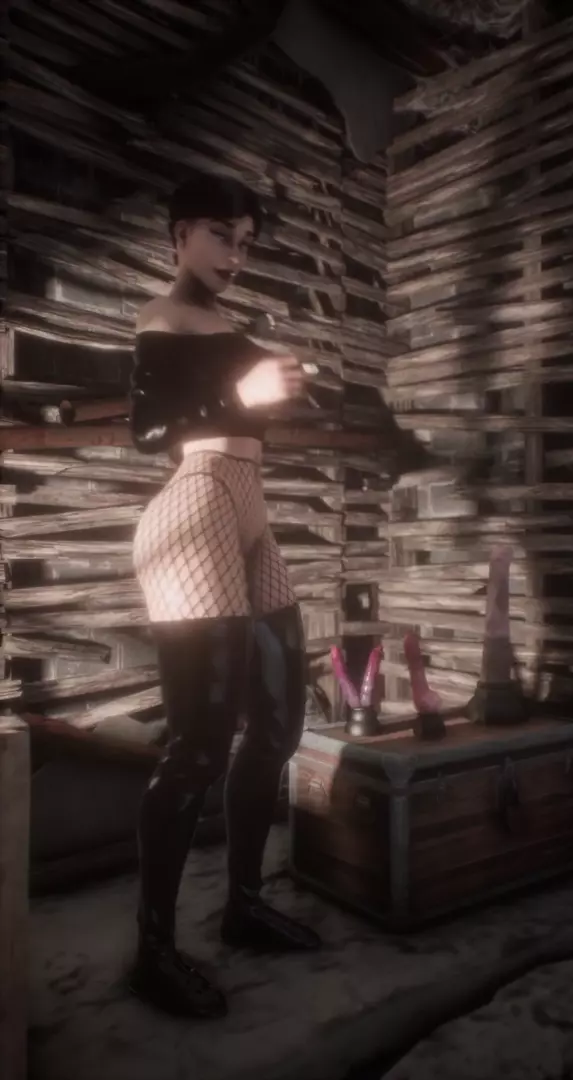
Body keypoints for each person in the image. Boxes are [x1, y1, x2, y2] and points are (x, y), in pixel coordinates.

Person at [128, 172, 321, 1019]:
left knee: (278, 725)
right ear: (179, 235)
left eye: (245, 241)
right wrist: (239, 393)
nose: (235, 254)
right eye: (219, 235)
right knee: (198, 748)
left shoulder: (234, 329)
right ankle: (153, 952)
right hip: (195, 505)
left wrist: (277, 388)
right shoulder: (162, 316)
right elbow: (147, 429)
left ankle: (242, 905)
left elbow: (250, 414)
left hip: (248, 509)